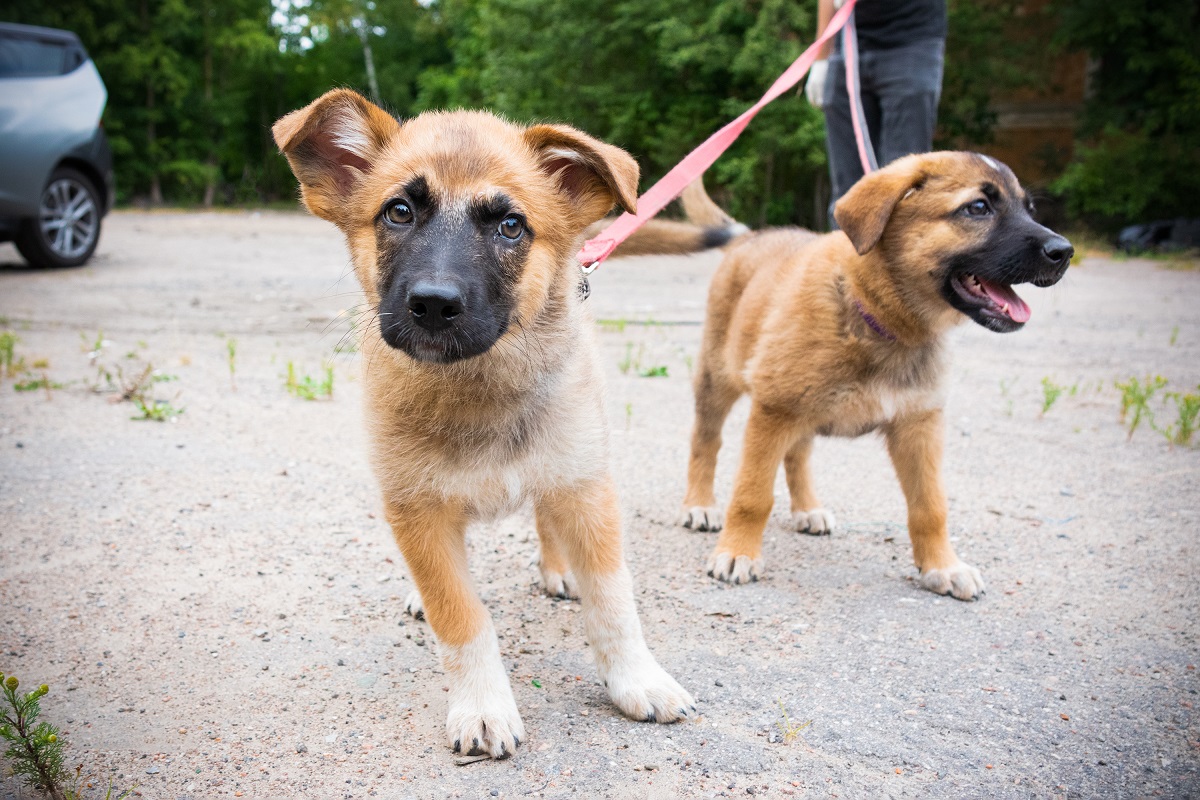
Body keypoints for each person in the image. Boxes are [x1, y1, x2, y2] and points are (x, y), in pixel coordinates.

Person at [806, 0, 947, 229]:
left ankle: (899, 264)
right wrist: (822, 57)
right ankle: (845, 263)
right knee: (847, 190)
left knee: (902, 183)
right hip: (848, 45)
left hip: (911, 43)